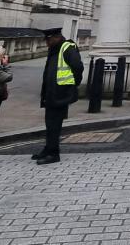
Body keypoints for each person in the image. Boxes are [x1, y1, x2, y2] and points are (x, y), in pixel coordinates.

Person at [34, 27, 83, 165]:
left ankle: (53, 153)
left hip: (61, 93)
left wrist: (73, 84)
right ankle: (47, 149)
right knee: (50, 123)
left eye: (48, 40)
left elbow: (78, 67)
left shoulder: (67, 48)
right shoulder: (55, 49)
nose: (46, 43)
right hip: (51, 93)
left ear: (54, 38)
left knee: (54, 124)